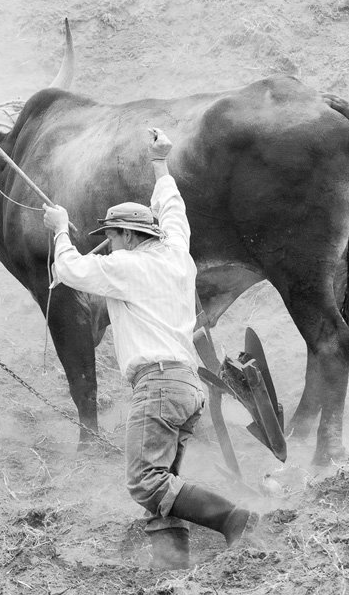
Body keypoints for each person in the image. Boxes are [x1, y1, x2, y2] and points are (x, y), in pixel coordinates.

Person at [41, 128, 256, 569]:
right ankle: (172, 564)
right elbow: (172, 209)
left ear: (127, 235)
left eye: (112, 236)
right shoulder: (178, 253)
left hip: (158, 384)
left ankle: (235, 520)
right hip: (187, 385)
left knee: (144, 482)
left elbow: (70, 271)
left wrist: (60, 230)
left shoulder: (126, 267)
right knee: (165, 478)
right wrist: (160, 162)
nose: (111, 243)